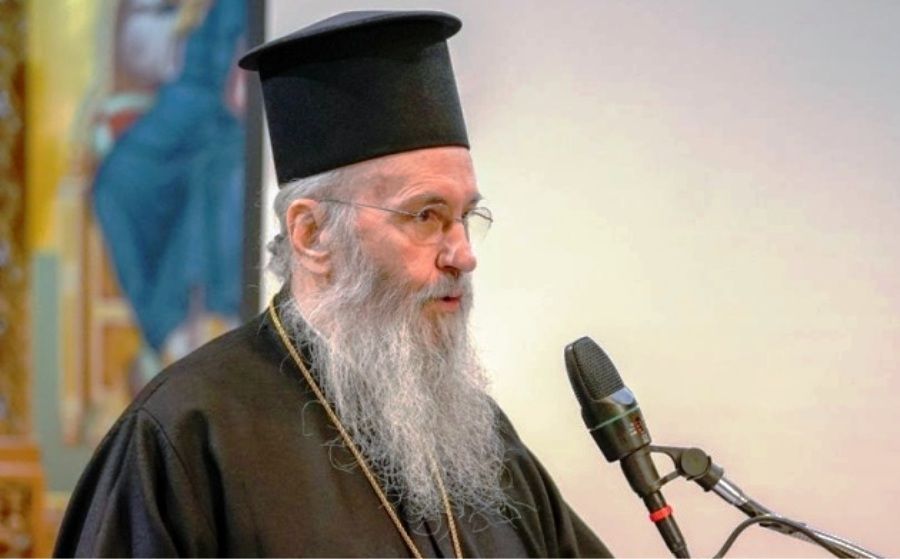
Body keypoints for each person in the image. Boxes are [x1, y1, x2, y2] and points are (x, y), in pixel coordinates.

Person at [54, 10, 613, 557]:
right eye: (426, 216)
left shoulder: (483, 441)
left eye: (466, 216)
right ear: (313, 234)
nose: (463, 255)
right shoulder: (185, 437)